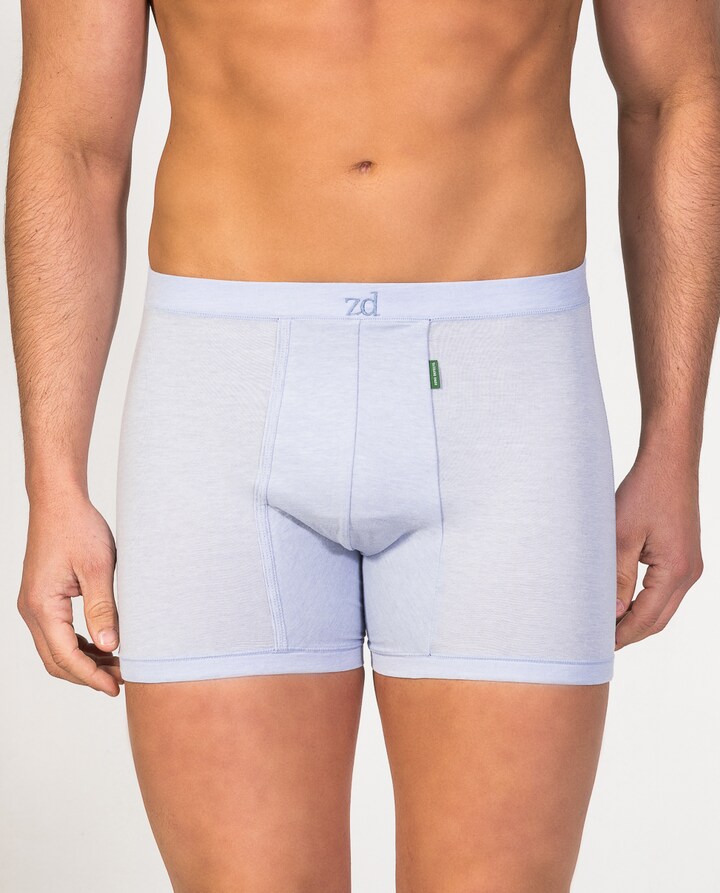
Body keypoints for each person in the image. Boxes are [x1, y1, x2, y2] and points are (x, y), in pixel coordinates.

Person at [6, 0, 718, 890]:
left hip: (506, 395)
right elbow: (73, 140)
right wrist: (52, 479)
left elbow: (676, 96)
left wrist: (674, 442)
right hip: (221, 397)